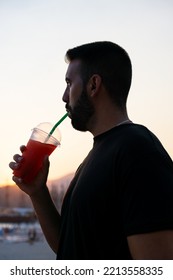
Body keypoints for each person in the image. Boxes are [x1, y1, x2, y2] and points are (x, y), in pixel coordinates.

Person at [9, 41, 173, 260]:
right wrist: (38, 193)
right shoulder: (93, 157)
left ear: (93, 85)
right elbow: (70, 246)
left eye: (69, 83)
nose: (64, 97)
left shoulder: (138, 151)